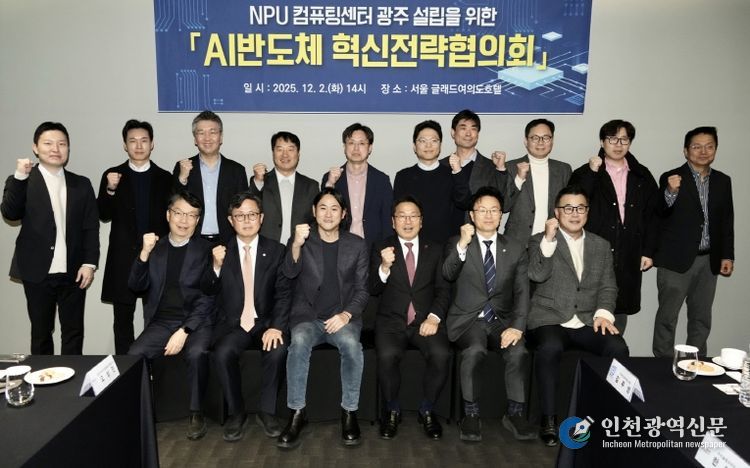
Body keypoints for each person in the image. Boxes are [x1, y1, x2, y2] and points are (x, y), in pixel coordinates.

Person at [527, 185, 630, 447]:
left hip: (586, 319)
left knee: (617, 347)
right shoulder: (539, 240)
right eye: (568, 208)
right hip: (549, 317)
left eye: (580, 208)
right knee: (549, 347)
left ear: (587, 212)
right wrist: (549, 240)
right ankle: (549, 419)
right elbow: (536, 275)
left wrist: (603, 313)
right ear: (557, 212)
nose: (575, 213)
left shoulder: (600, 245)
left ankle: (606, 416)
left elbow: (608, 286)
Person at [277, 188, 369, 449]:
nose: (328, 214)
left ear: (344, 214)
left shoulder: (357, 244)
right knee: (298, 342)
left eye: (334, 209)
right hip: (308, 316)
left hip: (343, 317)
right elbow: (289, 273)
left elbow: (363, 290)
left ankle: (349, 411)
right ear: (314, 212)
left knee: (352, 345)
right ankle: (297, 412)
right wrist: (296, 244)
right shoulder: (302, 239)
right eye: (323, 208)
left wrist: (346, 314)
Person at [442, 186, 535, 443]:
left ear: (501, 215)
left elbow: (522, 292)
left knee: (518, 351)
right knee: (474, 350)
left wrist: (517, 327)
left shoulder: (515, 248)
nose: (488, 215)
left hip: (501, 320)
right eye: (482, 210)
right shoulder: (457, 242)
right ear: (472, 215)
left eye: (494, 210)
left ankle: (515, 413)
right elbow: (448, 273)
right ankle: (471, 414)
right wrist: (462, 244)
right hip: (468, 319)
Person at [1, 121, 99, 355]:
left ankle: (73, 377)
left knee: (74, 332)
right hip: (36, 271)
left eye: (62, 144)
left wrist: (89, 263)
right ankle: (44, 378)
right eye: (48, 143)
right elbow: (10, 213)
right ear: (35, 148)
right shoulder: (21, 180)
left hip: (74, 271)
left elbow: (90, 227)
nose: (55, 149)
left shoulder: (81, 184)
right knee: (41, 334)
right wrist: (20, 176)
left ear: (68, 149)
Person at [201, 192, 291, 442]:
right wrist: (216, 266)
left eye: (252, 214)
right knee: (222, 353)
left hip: (265, 323)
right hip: (233, 324)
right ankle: (236, 412)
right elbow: (207, 290)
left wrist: (277, 326)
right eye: (240, 216)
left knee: (278, 350)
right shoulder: (219, 251)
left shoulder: (277, 251)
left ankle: (267, 411)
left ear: (261, 218)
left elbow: (284, 294)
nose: (247, 220)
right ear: (231, 220)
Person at [127, 190, 214, 441]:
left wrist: (185, 330)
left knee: (196, 353)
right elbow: (136, 285)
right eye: (179, 213)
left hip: (196, 321)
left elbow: (208, 298)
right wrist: (144, 253)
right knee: (134, 354)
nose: (184, 220)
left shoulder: (206, 250)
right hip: (162, 321)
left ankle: (196, 412)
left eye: (191, 215)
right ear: (168, 215)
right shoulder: (156, 247)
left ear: (198, 220)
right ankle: (143, 411)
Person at [370, 196, 452, 440]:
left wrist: (434, 318)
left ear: (421, 221)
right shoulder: (381, 247)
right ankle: (392, 409)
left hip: (425, 321)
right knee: (387, 355)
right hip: (391, 321)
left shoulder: (435, 249)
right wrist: (384, 267)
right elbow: (373, 288)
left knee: (441, 354)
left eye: (413, 216)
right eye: (402, 216)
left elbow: (444, 289)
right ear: (393, 222)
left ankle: (427, 409)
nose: (408, 221)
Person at [652, 126, 734, 357]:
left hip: (709, 261)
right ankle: (662, 364)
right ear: (686, 151)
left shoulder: (723, 181)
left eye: (709, 146)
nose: (703, 151)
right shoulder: (671, 177)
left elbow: (727, 220)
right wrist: (671, 191)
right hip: (675, 261)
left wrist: (727, 255)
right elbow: (659, 213)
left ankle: (696, 363)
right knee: (667, 317)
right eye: (697, 147)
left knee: (701, 318)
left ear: (715, 149)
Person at [570, 119, 658, 332]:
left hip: (629, 251)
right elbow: (573, 206)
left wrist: (648, 251)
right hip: (592, 250)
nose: (618, 145)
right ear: (602, 142)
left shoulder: (641, 175)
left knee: (619, 306)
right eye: (612, 139)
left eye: (624, 140)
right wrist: (592, 173)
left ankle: (613, 349)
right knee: (587, 305)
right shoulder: (585, 172)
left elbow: (653, 215)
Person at [98, 119, 173, 354]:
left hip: (156, 259)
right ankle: (125, 370)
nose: (139, 146)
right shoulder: (113, 175)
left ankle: (153, 369)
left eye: (144, 141)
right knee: (122, 322)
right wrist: (110, 189)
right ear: (125, 145)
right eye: (133, 141)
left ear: (152, 144)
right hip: (123, 260)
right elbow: (103, 214)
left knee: (156, 320)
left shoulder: (165, 177)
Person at [173, 110, 248, 243]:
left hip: (227, 241)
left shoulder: (237, 170)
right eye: (201, 133)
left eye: (212, 132)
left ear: (221, 137)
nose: (207, 138)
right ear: (195, 139)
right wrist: (182, 179)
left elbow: (243, 210)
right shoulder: (183, 167)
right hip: (192, 241)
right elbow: (173, 206)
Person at [393, 120, 471, 244]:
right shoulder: (403, 176)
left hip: (447, 245)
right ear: (414, 146)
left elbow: (465, 203)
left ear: (440, 145)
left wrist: (457, 172)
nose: (428, 146)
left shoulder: (453, 173)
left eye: (434, 141)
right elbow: (397, 214)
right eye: (423, 141)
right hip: (414, 244)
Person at [322, 123, 393, 248]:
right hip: (339, 247)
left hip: (372, 248)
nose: (356, 148)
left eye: (361, 143)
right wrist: (330, 184)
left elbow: (387, 220)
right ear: (344, 147)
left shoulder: (382, 180)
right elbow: (323, 214)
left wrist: (386, 249)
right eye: (351, 143)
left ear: (370, 148)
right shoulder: (331, 178)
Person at [503, 119, 572, 245]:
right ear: (526, 141)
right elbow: (504, 206)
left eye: (546, 137)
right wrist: (519, 179)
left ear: (552, 141)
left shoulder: (563, 169)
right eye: (535, 138)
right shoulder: (511, 167)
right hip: (517, 241)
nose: (540, 142)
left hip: (553, 239)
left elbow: (569, 207)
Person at [249, 131, 319, 244]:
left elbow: (316, 221)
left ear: (298, 154)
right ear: (273, 153)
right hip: (267, 248)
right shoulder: (260, 181)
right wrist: (258, 181)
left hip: (300, 248)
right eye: (280, 149)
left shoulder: (311, 186)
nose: (285, 155)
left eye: (290, 149)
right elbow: (250, 210)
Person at [440, 109, 508, 198]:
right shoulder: (441, 166)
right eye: (463, 128)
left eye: (473, 129)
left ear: (478, 134)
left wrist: (500, 169)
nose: (468, 133)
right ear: (453, 133)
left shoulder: (490, 167)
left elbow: (502, 200)